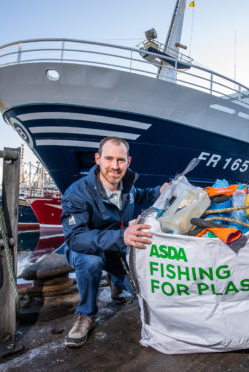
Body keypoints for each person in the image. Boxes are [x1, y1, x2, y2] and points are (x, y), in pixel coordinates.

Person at [61, 136, 168, 348]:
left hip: (115, 247)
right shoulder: (77, 193)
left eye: (120, 160)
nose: (115, 166)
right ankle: (86, 315)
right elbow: (75, 238)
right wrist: (122, 236)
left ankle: (117, 283)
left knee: (138, 288)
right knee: (91, 262)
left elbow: (140, 195)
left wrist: (160, 191)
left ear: (128, 162)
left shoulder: (126, 186)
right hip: (83, 249)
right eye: (109, 159)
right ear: (97, 159)